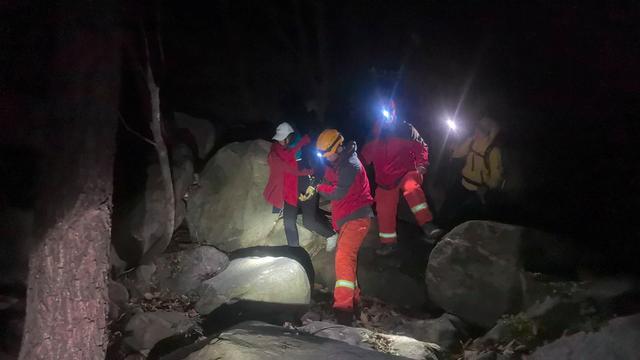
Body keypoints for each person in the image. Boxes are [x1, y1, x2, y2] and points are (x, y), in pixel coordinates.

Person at [361, 100, 443, 256]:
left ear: (394, 112)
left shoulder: (406, 128)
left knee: (412, 188)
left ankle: (427, 225)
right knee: (384, 209)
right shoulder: (374, 133)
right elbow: (365, 157)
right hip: (385, 179)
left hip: (406, 172)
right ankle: (388, 243)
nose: (387, 116)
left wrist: (422, 163)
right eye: (383, 113)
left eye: (390, 112)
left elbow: (421, 145)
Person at [314, 128, 374, 325]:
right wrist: (318, 180)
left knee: (343, 258)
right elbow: (330, 180)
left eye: (327, 154)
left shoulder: (350, 165)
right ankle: (354, 302)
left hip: (357, 219)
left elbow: (338, 192)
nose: (326, 158)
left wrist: (318, 188)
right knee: (348, 260)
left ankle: (343, 309)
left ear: (338, 147)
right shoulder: (339, 163)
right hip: (349, 220)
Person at [263, 122, 337, 247]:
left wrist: (314, 185)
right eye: (278, 139)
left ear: (290, 136)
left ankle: (331, 235)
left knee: (309, 221)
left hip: (308, 188)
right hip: (290, 190)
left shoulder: (306, 148)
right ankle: (295, 250)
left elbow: (319, 168)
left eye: (282, 138)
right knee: (288, 221)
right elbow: (278, 165)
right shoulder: (278, 150)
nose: (280, 141)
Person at [438, 116, 504, 229]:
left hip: (478, 190)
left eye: (481, 130)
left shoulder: (493, 151)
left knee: (466, 219)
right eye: (477, 128)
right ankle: (437, 232)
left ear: (488, 133)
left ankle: (458, 238)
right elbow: (457, 153)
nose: (477, 131)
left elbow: (496, 177)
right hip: (463, 183)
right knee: (447, 208)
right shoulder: (472, 141)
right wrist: (453, 147)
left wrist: (487, 187)